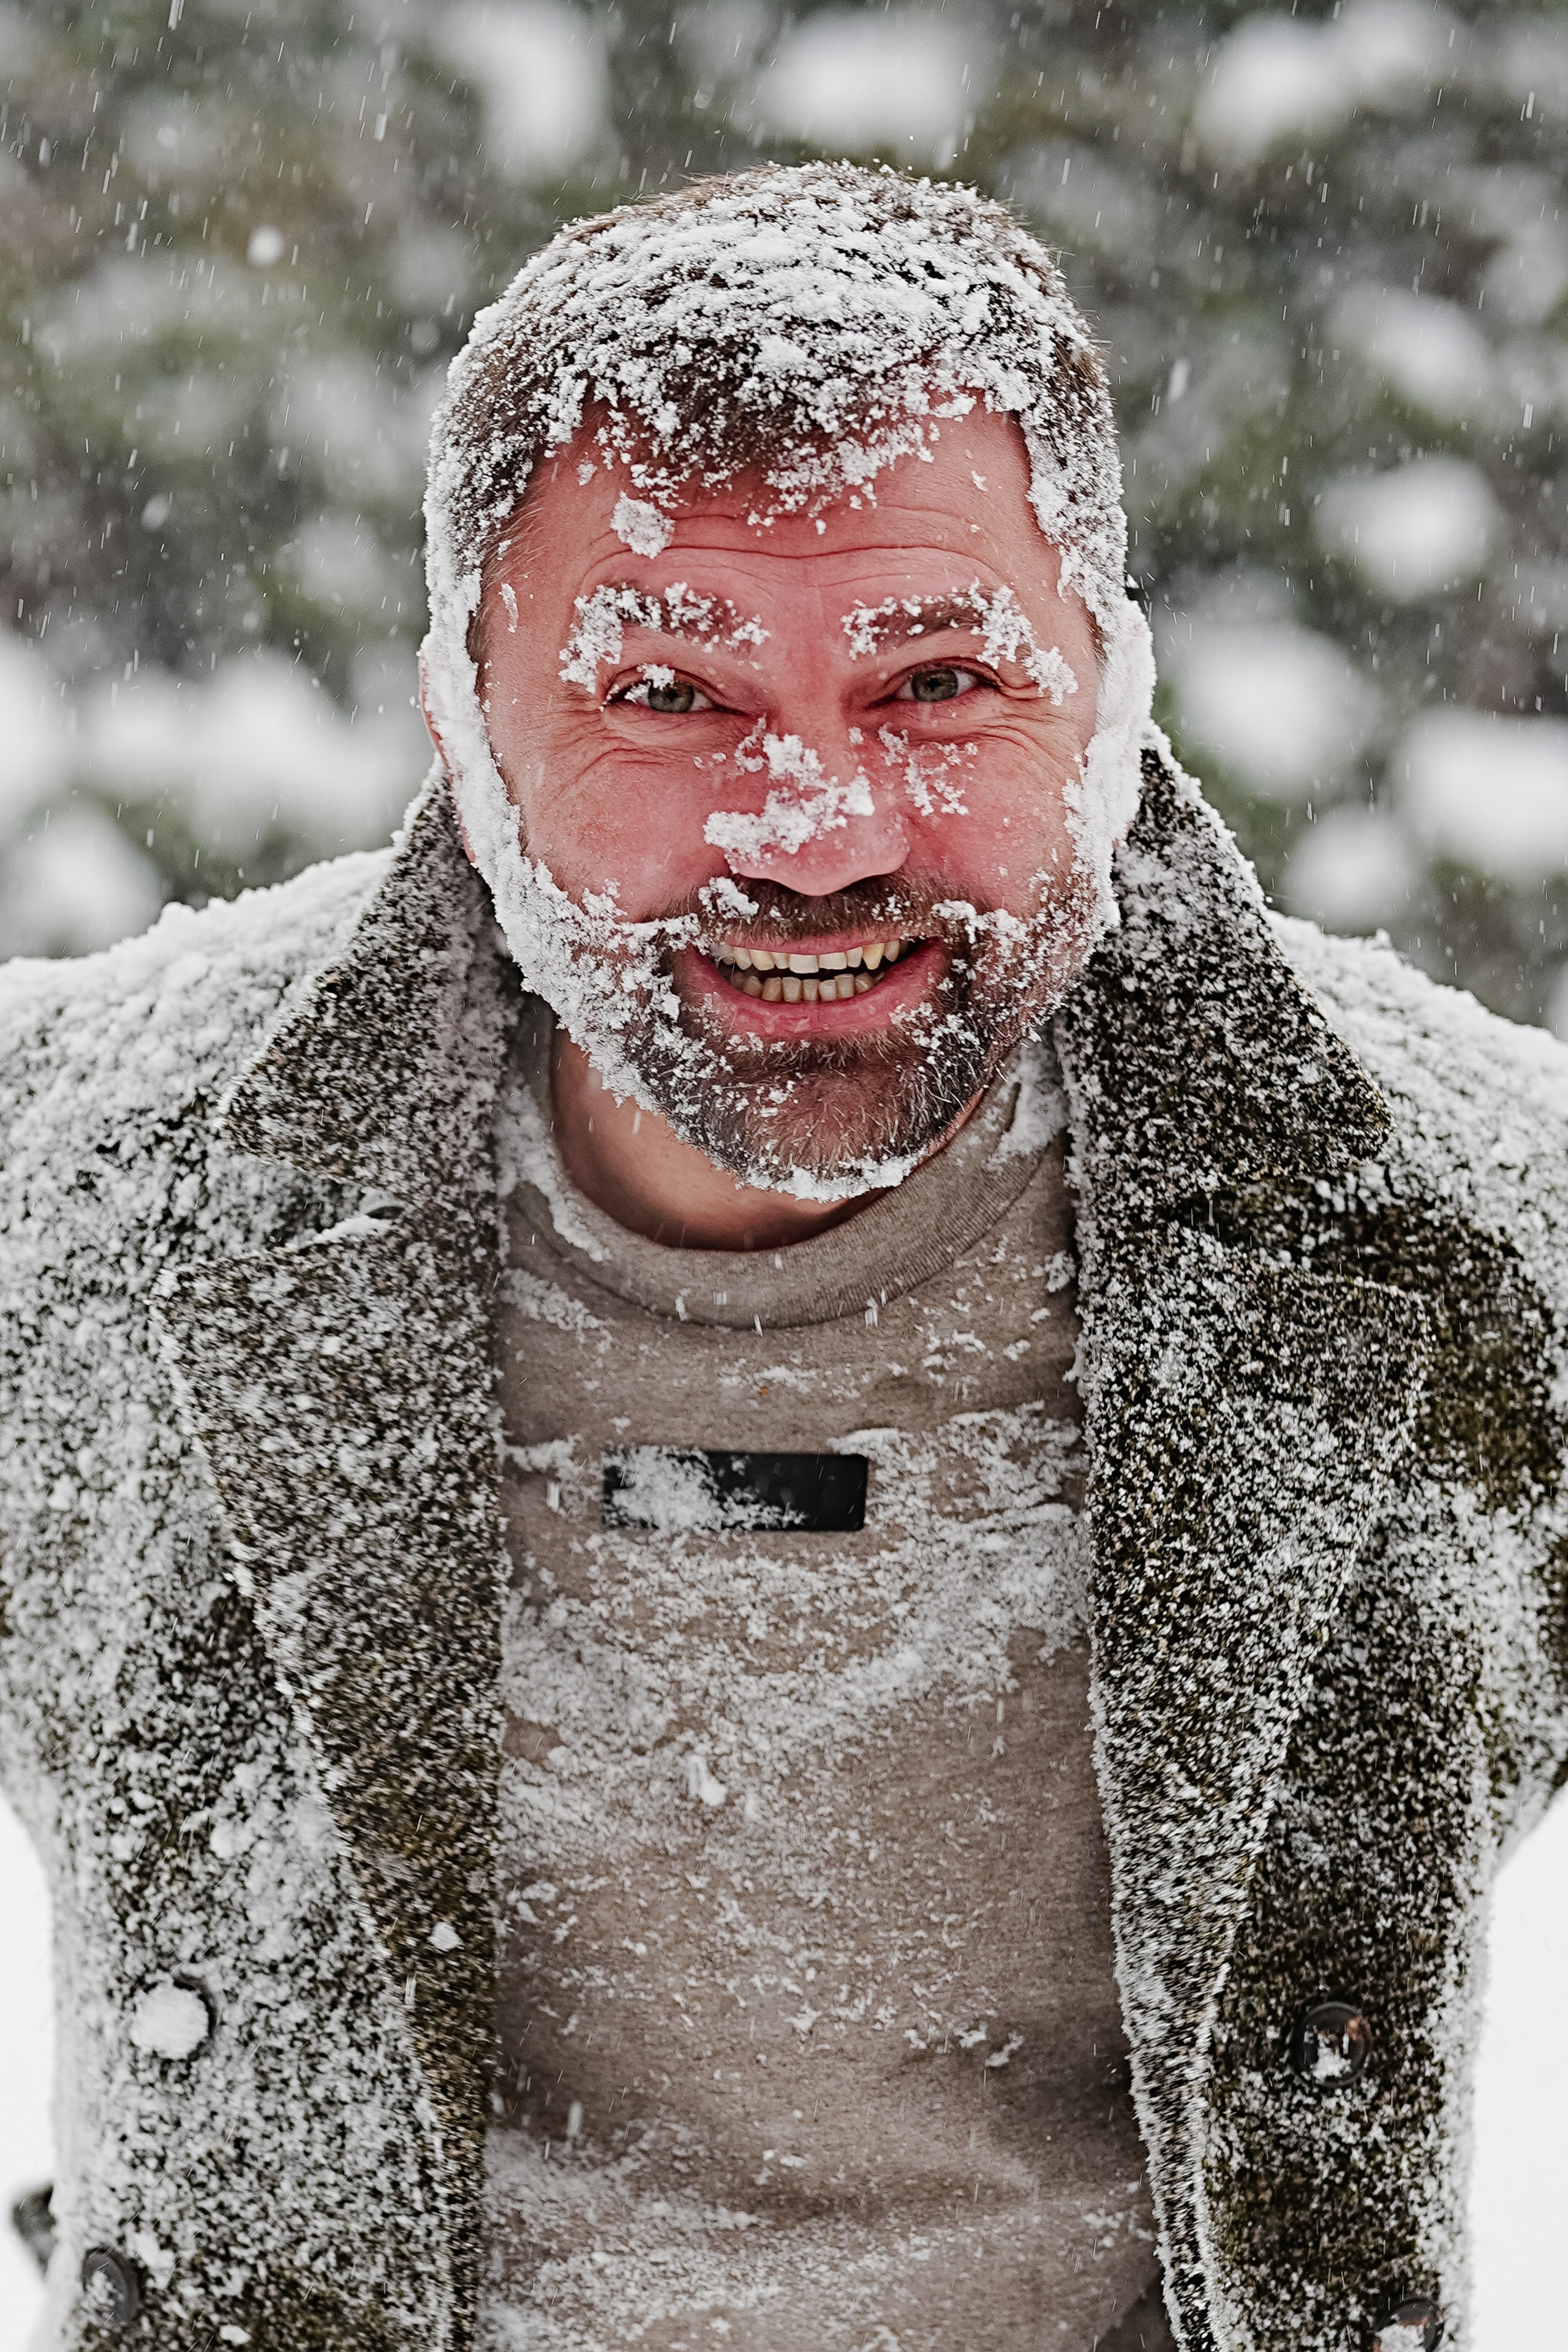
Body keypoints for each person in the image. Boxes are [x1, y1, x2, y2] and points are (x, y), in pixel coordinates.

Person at [0, 162, 1561, 2352]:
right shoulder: (66, 1200)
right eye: (669, 693)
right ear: (459, 713)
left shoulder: (1482, 1239)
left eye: (938, 681)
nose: (814, 829)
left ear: (1111, 692)